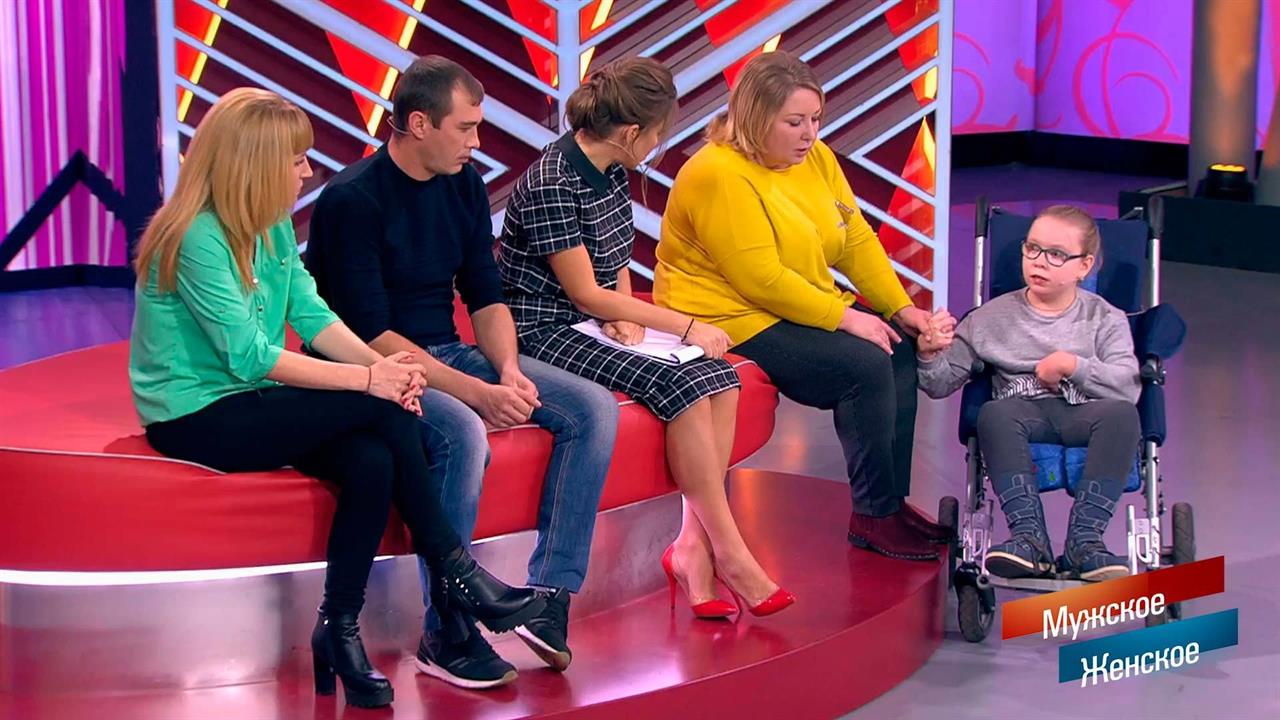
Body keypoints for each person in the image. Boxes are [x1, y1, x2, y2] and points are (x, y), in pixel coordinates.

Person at [129, 88, 543, 709]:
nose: (306, 172)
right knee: (379, 410)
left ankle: (339, 630)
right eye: (296, 159)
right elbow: (250, 355)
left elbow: (313, 315)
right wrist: (372, 383)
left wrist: (385, 368)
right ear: (255, 164)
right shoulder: (196, 237)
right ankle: (458, 572)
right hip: (195, 413)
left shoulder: (268, 224)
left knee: (371, 460)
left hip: (253, 396)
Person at [306, 56, 618, 686]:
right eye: (466, 127)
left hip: (446, 352)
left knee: (593, 409)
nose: (477, 142)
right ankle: (447, 631)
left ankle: (549, 601)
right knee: (463, 434)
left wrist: (506, 368)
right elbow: (369, 333)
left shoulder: (464, 185)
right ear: (419, 123)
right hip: (373, 364)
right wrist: (476, 392)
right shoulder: (351, 200)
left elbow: (484, 293)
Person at [498, 58, 794, 620]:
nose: (660, 144)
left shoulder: (611, 166)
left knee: (719, 377)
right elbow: (583, 293)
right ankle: (731, 554)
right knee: (682, 384)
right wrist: (681, 324)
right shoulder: (552, 181)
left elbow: (614, 259)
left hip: (592, 319)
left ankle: (692, 548)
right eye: (658, 134)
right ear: (632, 132)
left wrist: (627, 313)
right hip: (543, 328)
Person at [656, 51, 947, 562]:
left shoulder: (815, 158)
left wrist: (900, 308)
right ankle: (873, 516)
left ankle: (888, 505)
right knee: (863, 364)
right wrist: (846, 317)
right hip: (726, 315)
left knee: (897, 346)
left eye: (815, 119)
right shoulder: (718, 173)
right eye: (794, 122)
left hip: (785, 301)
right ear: (755, 119)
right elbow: (761, 279)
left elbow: (854, 238)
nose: (809, 134)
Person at [917, 205, 1140, 582]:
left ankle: (1085, 542)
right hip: (1021, 414)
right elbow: (939, 383)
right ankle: (1029, 540)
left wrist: (1071, 365)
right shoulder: (989, 318)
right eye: (1032, 248)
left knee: (1123, 416)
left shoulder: (1105, 318)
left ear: (1084, 266)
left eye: (1056, 254)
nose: (1039, 261)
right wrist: (927, 354)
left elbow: (1127, 385)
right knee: (993, 412)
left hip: (1085, 413)